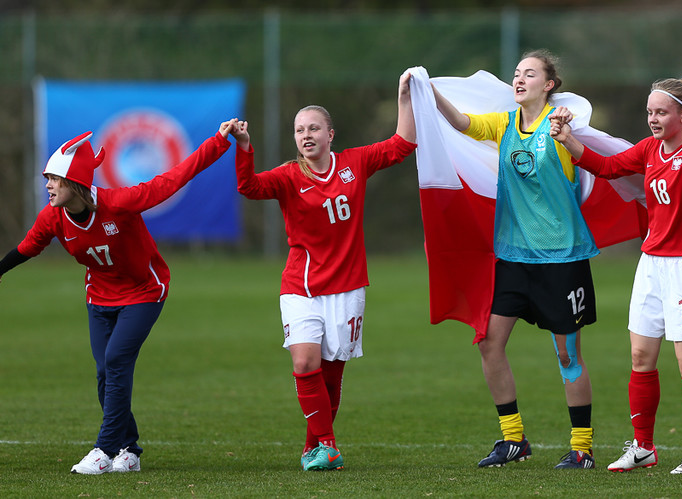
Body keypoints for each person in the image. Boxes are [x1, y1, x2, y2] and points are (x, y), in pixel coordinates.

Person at [0, 122, 235, 474]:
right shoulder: (53, 217)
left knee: (116, 360)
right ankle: (129, 449)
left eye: (55, 179)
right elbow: (28, 246)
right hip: (99, 298)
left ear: (75, 182)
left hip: (144, 291)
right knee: (104, 373)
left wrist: (218, 142)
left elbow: (173, 179)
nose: (47, 185)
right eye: (47, 178)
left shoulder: (118, 203)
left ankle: (105, 449)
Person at [232, 73, 416, 471]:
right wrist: (244, 146)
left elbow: (403, 144)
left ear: (330, 134)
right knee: (304, 363)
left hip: (347, 287)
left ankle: (312, 448)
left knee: (330, 378)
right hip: (301, 285)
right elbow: (249, 187)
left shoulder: (355, 163)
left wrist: (404, 97)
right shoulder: (288, 176)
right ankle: (329, 445)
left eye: (314, 128)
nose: (306, 135)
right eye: (299, 130)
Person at [430, 49, 599, 469]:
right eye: (517, 73)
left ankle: (582, 448)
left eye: (530, 74)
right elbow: (462, 123)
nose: (519, 80)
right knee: (489, 343)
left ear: (549, 85)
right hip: (514, 257)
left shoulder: (560, 125)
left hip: (561, 258)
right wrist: (426, 90)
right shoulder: (504, 123)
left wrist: (567, 131)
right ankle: (513, 440)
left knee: (567, 357)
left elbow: (585, 152)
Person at [549, 75, 682, 475]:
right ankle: (644, 447)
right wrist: (567, 139)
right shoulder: (648, 150)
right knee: (641, 357)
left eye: (661, 112)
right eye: (649, 112)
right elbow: (607, 167)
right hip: (651, 265)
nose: (653, 119)